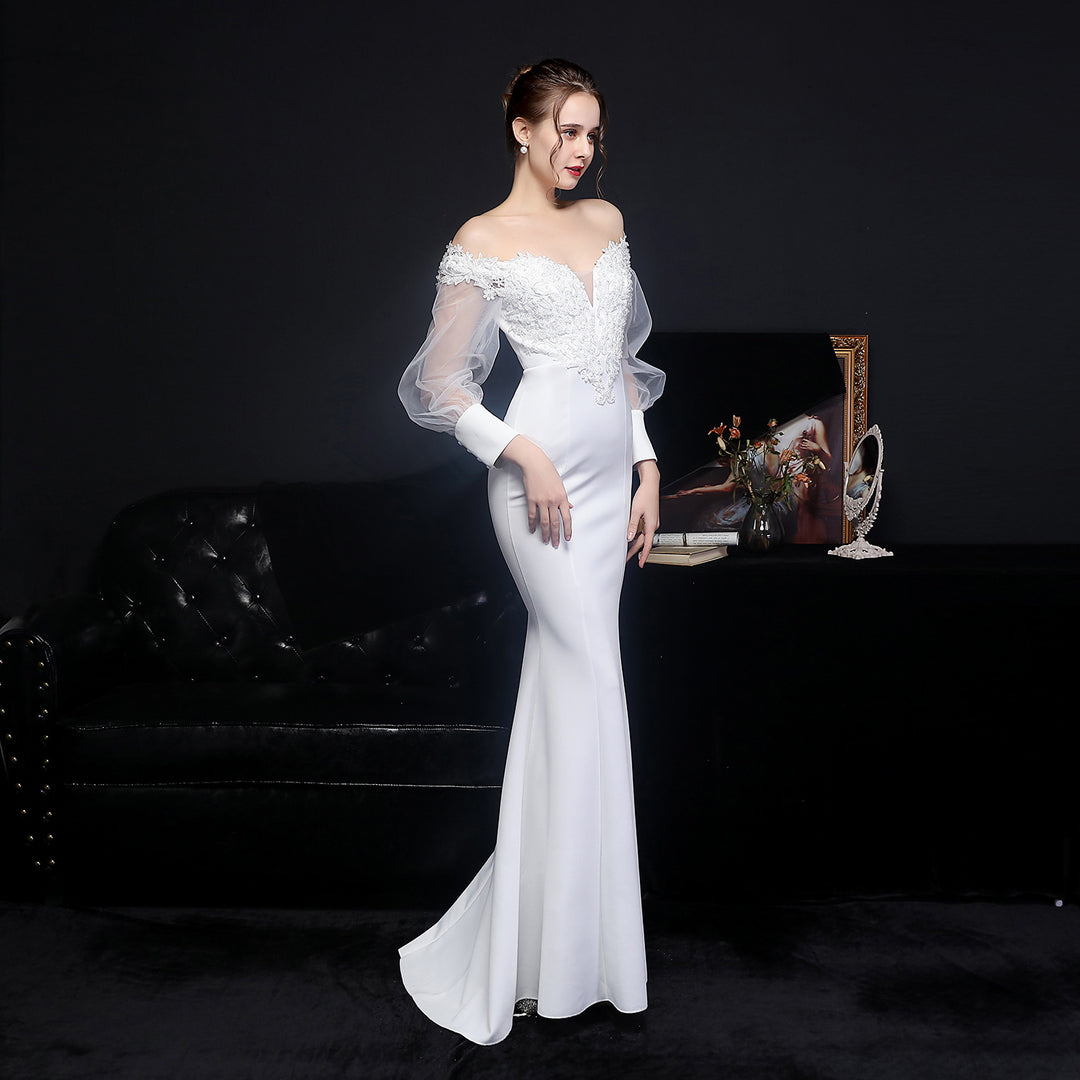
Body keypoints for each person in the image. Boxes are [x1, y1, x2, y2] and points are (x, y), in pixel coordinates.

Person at [396, 58, 665, 1045]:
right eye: (567, 130)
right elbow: (440, 386)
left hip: (609, 483)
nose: (582, 150)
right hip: (535, 489)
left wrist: (646, 466)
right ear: (522, 128)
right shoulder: (482, 241)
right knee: (594, 684)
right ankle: (585, 956)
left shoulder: (606, 221)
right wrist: (521, 452)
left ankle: (557, 951)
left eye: (594, 134)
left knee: (566, 694)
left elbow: (620, 366)